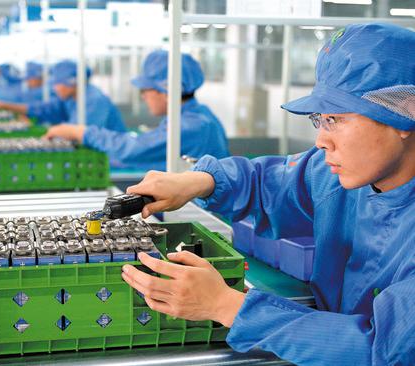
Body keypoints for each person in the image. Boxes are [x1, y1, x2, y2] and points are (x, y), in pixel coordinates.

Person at [120, 23, 415, 365]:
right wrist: (199, 181)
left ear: (403, 113)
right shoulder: (336, 174)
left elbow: (386, 350)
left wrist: (226, 306)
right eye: (320, 119)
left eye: (335, 118)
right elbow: (268, 182)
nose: (321, 140)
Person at [46, 50, 229, 171]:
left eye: (145, 90)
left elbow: (133, 149)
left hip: (204, 216)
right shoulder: (196, 115)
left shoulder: (191, 125)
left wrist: (79, 131)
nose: (143, 97)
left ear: (166, 91)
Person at [0, 60, 126, 132]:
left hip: (112, 163)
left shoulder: (94, 101)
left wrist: (54, 131)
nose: (54, 88)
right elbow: (43, 108)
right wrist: (2, 105)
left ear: (72, 82)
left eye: (58, 83)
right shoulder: (70, 99)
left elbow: (79, 133)